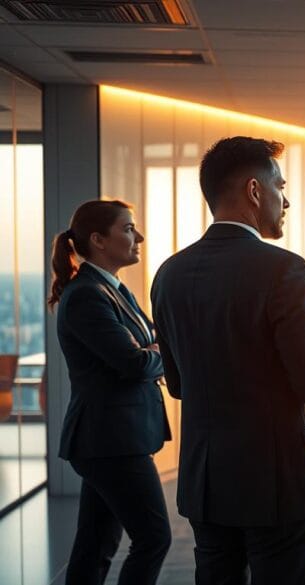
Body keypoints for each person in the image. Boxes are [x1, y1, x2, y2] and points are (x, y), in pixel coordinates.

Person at [150, 136, 305, 585]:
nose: (285, 201)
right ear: (254, 190)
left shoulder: (168, 274)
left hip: (207, 483)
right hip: (280, 485)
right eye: (280, 187)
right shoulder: (284, 269)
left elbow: (178, 384)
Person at [51, 200, 171, 585]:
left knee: (95, 544)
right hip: (110, 440)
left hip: (111, 439)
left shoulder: (112, 289)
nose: (139, 237)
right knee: (153, 538)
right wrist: (160, 352)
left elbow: (153, 343)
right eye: (128, 229)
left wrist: (155, 349)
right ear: (98, 240)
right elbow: (135, 363)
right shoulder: (88, 295)